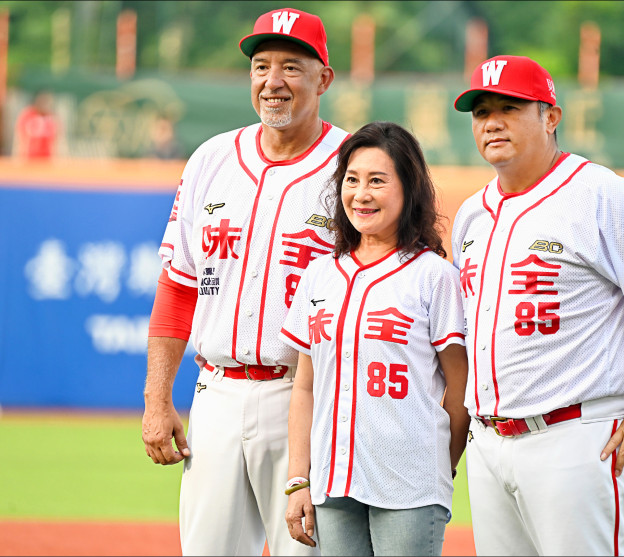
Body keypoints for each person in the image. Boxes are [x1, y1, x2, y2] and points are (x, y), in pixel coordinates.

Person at [451, 55, 624, 556]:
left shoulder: (599, 193)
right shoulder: (472, 214)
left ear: (551, 116)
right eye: (481, 111)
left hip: (575, 437)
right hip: (490, 442)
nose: (492, 122)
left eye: (510, 107)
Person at [141, 7, 348, 556]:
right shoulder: (211, 158)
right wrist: (157, 397)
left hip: (308, 397)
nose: (272, 81)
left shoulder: (354, 164)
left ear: (323, 78)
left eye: (291, 67)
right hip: (217, 392)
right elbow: (180, 284)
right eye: (261, 66)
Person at [281, 121, 470, 556]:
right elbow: (306, 385)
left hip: (409, 485)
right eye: (352, 180)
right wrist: (298, 479)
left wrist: (441, 464)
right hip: (333, 482)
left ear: (409, 189)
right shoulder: (321, 274)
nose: (361, 194)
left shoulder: (434, 276)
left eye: (377, 181)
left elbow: (459, 390)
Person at [13, 90, 61, 159]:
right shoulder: (28, 115)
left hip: (47, 160)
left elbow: (57, 140)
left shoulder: (52, 117)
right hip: (29, 159)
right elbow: (19, 138)